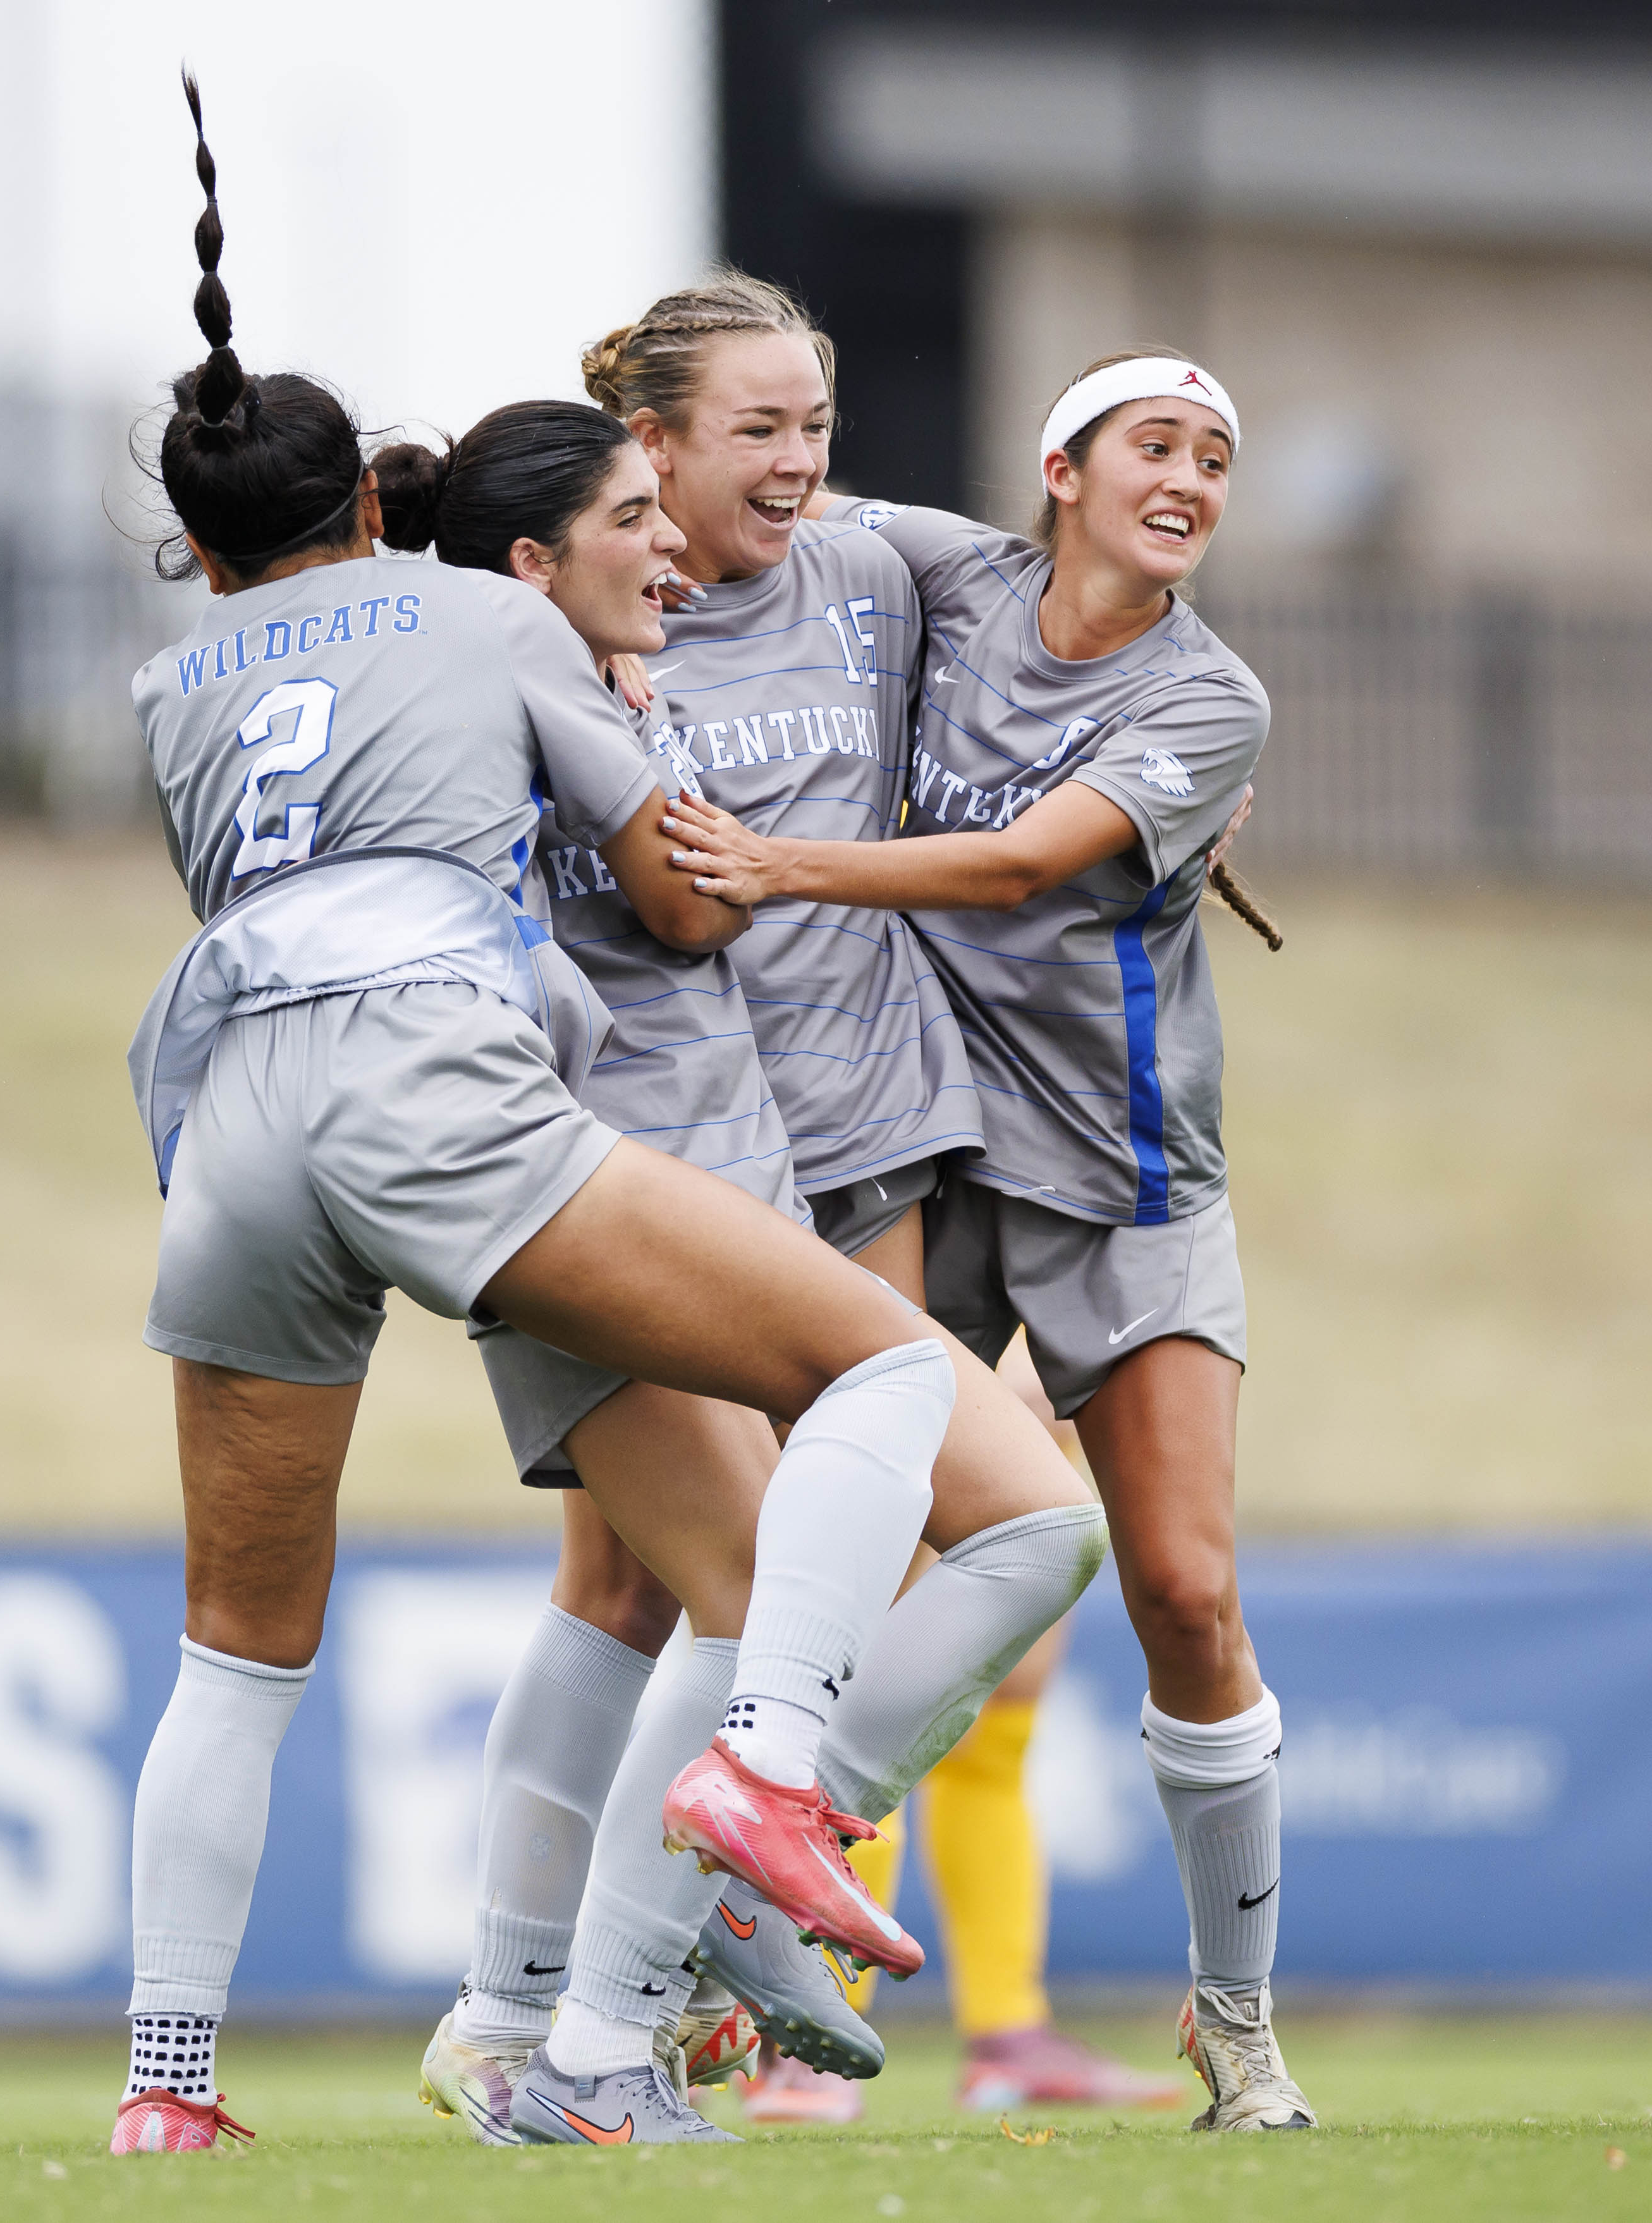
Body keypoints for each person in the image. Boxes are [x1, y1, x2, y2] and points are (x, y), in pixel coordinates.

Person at [109, 80, 986, 2154]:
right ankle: (725, 1858)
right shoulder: (490, 611)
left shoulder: (172, 682)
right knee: (878, 1374)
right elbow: (675, 879)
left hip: (227, 1123)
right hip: (438, 1085)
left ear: (207, 543)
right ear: (368, 499)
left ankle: (167, 2086)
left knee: (238, 1648)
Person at [370, 401, 1105, 2146]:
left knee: (676, 1590)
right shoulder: (527, 685)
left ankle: (538, 2000)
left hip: (687, 1182)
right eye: (640, 511)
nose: (675, 548)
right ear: (535, 560)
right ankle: (624, 2012)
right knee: (762, 1590)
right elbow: (695, 904)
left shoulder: (565, 673)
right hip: (592, 1191)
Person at [664, 349, 1312, 2133]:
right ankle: (752, 1992)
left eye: (1215, 457)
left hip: (1124, 1173)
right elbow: (741, 485)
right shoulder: (947, 569)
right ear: (1062, 469)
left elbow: (1026, 862)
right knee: (840, 1565)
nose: (1189, 478)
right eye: (1155, 444)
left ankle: (1235, 2019)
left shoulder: (1211, 695)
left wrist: (783, 864)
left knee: (1184, 1590)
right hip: (923, 1149)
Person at [573, 274, 1174, 2122]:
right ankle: (562, 2005)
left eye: (812, 426)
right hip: (673, 1157)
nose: (795, 461)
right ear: (652, 444)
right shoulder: (577, 616)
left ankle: (776, 2006)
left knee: (884, 1566)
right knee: (645, 1584)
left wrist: (1167, 765)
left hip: (868, 1131)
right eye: (754, 428)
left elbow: (1071, 595)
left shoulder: (872, 564)